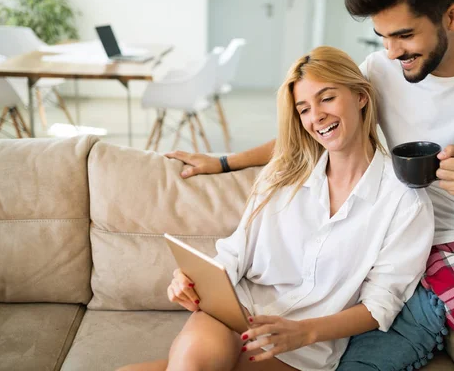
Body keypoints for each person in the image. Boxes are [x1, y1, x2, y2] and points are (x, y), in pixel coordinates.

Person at [166, 0, 454, 370]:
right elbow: (316, 128)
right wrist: (223, 161)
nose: (391, 52)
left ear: (452, 16)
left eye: (403, 35)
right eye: (382, 37)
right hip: (448, 251)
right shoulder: (381, 72)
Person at [119, 46, 434, 371]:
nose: (317, 116)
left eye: (327, 98)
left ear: (360, 97)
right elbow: (234, 254)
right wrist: (191, 281)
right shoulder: (283, 174)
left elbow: (380, 305)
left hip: (305, 348)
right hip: (234, 313)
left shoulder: (404, 202)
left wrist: (305, 332)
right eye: (304, 109)